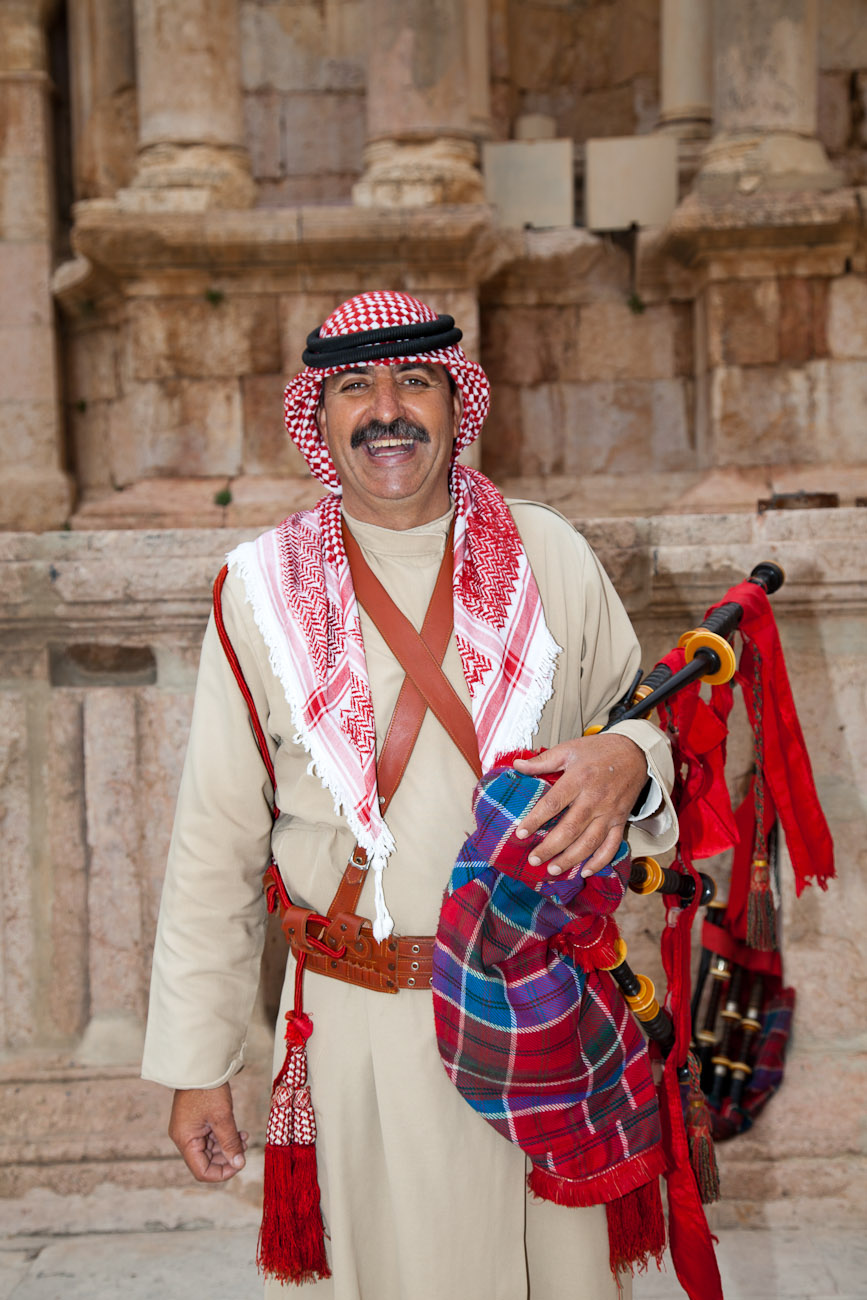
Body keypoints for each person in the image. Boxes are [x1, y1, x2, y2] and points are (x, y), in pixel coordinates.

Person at [142, 290, 678, 1300]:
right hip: (358, 1033)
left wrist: (632, 759)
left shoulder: (548, 553)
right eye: (356, 387)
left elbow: (649, 723)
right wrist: (196, 1064)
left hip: (537, 1017)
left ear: (455, 400)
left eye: (413, 382)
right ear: (322, 414)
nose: (387, 410)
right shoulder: (256, 590)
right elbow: (213, 842)